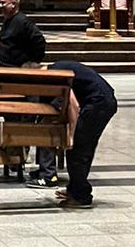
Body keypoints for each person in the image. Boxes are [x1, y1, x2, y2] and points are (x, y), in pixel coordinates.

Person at [0, 0, 55, 186]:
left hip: (22, 78)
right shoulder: (9, 21)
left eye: (3, 3)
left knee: (25, 115)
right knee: (10, 115)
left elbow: (39, 42)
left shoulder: (23, 22)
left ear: (14, 5)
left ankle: (20, 153)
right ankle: (15, 154)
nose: (0, 5)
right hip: (8, 77)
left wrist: (31, 63)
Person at [49, 61, 118, 210]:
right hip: (102, 99)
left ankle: (81, 197)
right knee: (82, 148)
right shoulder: (56, 68)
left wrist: (71, 135)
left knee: (79, 150)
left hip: (98, 103)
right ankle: (74, 189)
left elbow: (72, 105)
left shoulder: (54, 75)